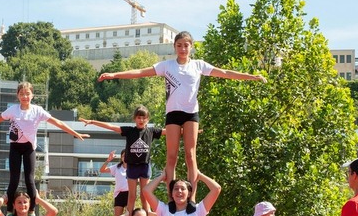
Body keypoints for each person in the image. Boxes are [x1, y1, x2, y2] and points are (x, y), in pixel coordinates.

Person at [98, 31, 265, 197]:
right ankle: (173, 196)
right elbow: (141, 72)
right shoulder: (167, 66)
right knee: (172, 156)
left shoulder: (199, 65)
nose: (182, 48)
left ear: (191, 47)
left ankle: (191, 197)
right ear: (174, 47)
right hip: (173, 114)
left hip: (191, 114)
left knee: (190, 155)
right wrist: (115, 74)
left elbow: (226, 73)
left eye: (186, 45)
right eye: (179, 45)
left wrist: (252, 77)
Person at [0, 81, 88, 214]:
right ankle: (9, 211)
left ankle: (31, 212)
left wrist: (75, 133)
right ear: (18, 96)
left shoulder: (37, 111)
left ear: (32, 95)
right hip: (15, 147)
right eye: (22, 94)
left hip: (29, 147)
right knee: (14, 178)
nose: (25, 96)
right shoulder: (13, 110)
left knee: (29, 179)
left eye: (27, 94)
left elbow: (57, 122)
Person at [81, 105, 162, 215]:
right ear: (134, 119)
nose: (141, 120)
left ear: (147, 119)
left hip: (144, 165)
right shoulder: (129, 131)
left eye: (144, 118)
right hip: (132, 166)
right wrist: (92, 121)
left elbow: (171, 131)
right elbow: (111, 127)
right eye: (139, 118)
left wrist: (188, 129)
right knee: (132, 196)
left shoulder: (151, 131)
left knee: (145, 195)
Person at [98, 150, 129, 216]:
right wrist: (108, 160)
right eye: (123, 156)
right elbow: (102, 170)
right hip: (119, 194)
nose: (125, 158)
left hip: (129, 194)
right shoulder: (117, 167)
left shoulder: (133, 168)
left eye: (126, 156)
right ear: (121, 158)